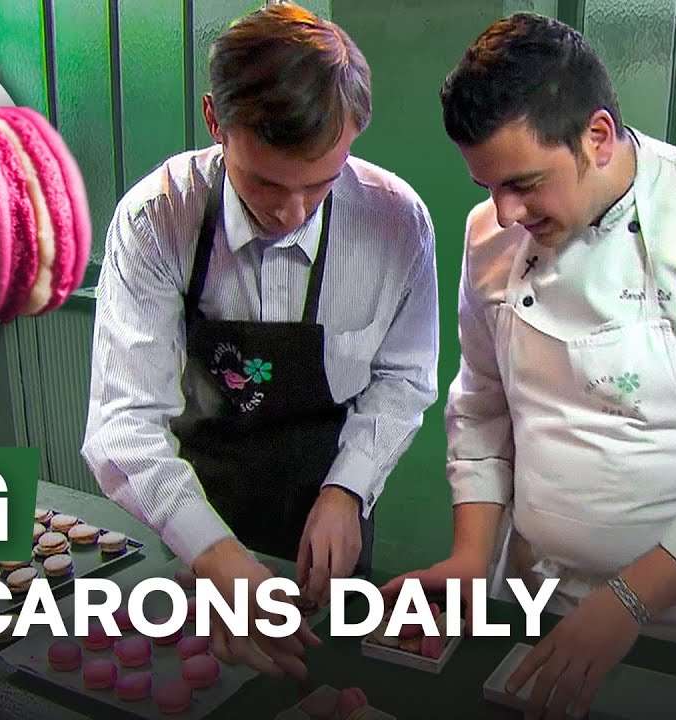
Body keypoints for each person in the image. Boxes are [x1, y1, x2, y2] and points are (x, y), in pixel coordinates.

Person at [383, 12, 676, 719]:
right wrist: (472, 558)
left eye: (524, 183)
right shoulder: (491, 236)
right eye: (488, 186)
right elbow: (482, 403)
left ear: (597, 136)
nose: (505, 213)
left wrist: (626, 600)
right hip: (531, 587)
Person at [83, 1, 438, 679]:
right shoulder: (157, 218)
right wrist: (215, 554)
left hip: (328, 502)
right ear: (215, 121)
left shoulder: (397, 223)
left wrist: (349, 490)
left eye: (320, 185)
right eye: (266, 183)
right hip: (194, 504)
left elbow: (403, 379)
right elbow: (124, 423)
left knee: (325, 686)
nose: (292, 212)